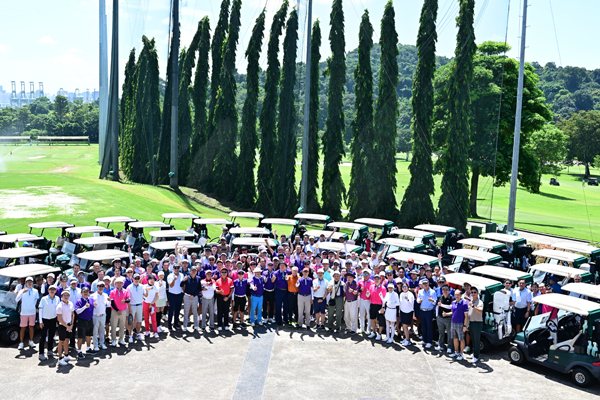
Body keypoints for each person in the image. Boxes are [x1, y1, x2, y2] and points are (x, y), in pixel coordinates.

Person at [16, 276, 39, 350]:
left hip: (32, 312)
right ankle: (21, 343)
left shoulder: (35, 291)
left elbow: (35, 301)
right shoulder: (21, 290)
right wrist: (22, 292)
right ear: (25, 283)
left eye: (31, 282)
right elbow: (17, 300)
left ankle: (31, 341)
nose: (29, 283)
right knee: (23, 328)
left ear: (33, 283)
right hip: (24, 313)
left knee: (31, 327)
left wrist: (32, 307)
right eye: (28, 282)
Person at [38, 284, 58, 360]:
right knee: (42, 337)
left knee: (51, 336)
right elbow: (40, 310)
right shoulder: (43, 299)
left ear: (55, 291)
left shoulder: (57, 298)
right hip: (44, 320)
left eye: (54, 289)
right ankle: (41, 353)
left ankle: (50, 350)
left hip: (53, 319)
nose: (52, 291)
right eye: (51, 289)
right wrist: (40, 321)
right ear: (48, 290)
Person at [416, 277, 438, 348]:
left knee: (429, 327)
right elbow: (417, 300)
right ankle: (424, 340)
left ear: (428, 283)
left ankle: (429, 341)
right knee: (424, 326)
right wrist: (419, 301)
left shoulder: (433, 292)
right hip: (422, 310)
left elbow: (435, 302)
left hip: (429, 311)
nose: (425, 285)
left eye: (426, 283)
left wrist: (432, 300)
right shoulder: (420, 291)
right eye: (424, 283)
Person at [56, 290, 76, 366]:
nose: (66, 296)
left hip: (69, 325)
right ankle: (60, 359)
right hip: (62, 326)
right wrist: (67, 326)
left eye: (67, 295)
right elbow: (59, 319)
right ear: (61, 297)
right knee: (61, 341)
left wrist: (71, 324)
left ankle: (66, 356)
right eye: (64, 295)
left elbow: (72, 314)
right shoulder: (59, 306)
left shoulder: (70, 304)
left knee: (67, 340)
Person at [74, 286, 95, 359]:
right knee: (80, 337)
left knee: (89, 335)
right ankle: (79, 351)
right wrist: (85, 307)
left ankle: (88, 348)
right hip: (81, 321)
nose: (86, 293)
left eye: (87, 292)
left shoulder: (91, 299)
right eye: (84, 292)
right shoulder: (78, 301)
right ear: (81, 293)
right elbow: (77, 311)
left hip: (90, 320)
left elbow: (95, 307)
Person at [448, 289, 469, 361]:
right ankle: (456, 352)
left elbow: (466, 316)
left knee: (461, 339)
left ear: (461, 295)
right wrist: (446, 314)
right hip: (453, 322)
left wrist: (465, 326)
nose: (456, 296)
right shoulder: (453, 302)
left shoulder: (464, 304)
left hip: (460, 323)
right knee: (455, 338)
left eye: (458, 295)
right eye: (455, 294)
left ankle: (461, 353)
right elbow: (453, 313)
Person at [109, 277, 130, 346]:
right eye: (118, 283)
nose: (119, 284)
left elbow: (128, 300)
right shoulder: (112, 292)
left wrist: (125, 301)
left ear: (123, 284)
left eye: (121, 283)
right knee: (113, 326)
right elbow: (112, 302)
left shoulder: (125, 291)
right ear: (115, 284)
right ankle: (114, 339)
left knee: (122, 325)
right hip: (115, 311)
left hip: (123, 310)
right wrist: (117, 310)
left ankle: (121, 339)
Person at [181, 266, 201, 331]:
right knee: (186, 312)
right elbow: (181, 285)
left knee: (195, 312)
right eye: (192, 270)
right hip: (187, 296)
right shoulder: (187, 278)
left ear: (196, 272)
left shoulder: (198, 278)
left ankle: (196, 325)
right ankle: (185, 326)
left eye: (195, 270)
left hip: (194, 297)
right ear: (190, 271)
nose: (193, 271)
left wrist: (194, 295)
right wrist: (183, 280)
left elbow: (199, 289)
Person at [90, 281, 109, 351]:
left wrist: (109, 301)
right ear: (97, 287)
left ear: (104, 287)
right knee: (95, 331)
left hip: (103, 315)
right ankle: (95, 345)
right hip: (95, 315)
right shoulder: (92, 296)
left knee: (102, 330)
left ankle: (102, 343)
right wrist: (93, 305)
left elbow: (108, 305)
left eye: (102, 286)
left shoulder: (105, 295)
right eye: (99, 286)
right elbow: (90, 306)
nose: (101, 287)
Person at [467, 286, 484, 364]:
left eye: (475, 292)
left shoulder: (480, 302)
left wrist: (473, 306)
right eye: (472, 292)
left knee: (477, 340)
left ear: (477, 293)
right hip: (471, 322)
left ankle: (476, 356)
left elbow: (480, 311)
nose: (473, 294)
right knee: (473, 339)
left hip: (477, 323)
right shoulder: (471, 302)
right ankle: (474, 354)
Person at [435, 284, 454, 353]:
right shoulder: (440, 297)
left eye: (446, 290)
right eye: (443, 290)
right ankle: (441, 346)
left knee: (449, 333)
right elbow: (437, 306)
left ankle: (449, 347)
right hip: (440, 318)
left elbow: (451, 307)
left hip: (448, 318)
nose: (445, 291)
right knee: (441, 333)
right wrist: (437, 316)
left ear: (449, 290)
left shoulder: (452, 298)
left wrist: (442, 305)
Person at [368, 274, 386, 340]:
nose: (376, 280)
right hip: (372, 305)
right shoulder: (371, 286)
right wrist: (367, 294)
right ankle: (373, 332)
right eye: (375, 279)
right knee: (372, 319)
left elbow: (384, 299)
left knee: (380, 320)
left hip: (380, 306)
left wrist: (383, 307)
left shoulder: (383, 288)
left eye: (378, 279)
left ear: (380, 280)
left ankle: (380, 334)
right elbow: (369, 295)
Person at [127, 273, 144, 342]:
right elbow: (128, 299)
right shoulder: (129, 287)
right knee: (130, 321)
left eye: (138, 278)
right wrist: (129, 309)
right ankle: (130, 336)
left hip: (140, 305)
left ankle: (138, 334)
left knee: (139, 321)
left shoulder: (142, 286)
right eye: (135, 278)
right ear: (132, 279)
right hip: (132, 306)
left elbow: (145, 294)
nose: (136, 280)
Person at [215, 267, 234, 331]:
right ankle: (219, 325)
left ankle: (226, 324)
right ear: (220, 273)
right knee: (220, 311)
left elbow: (232, 290)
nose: (224, 273)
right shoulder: (217, 281)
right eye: (222, 272)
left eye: (225, 272)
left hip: (227, 297)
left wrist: (228, 297)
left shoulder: (230, 280)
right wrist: (219, 291)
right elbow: (216, 290)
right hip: (220, 297)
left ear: (227, 273)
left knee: (226, 311)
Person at [167, 265, 184, 331]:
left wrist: (183, 293)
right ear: (173, 268)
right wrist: (174, 279)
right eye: (175, 268)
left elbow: (182, 285)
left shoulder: (182, 275)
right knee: (171, 310)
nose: (176, 269)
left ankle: (176, 323)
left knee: (178, 310)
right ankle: (169, 325)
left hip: (179, 295)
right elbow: (171, 286)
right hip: (172, 295)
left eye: (178, 268)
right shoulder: (170, 276)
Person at [274, 261, 289, 326]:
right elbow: (273, 280)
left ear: (285, 266)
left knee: (286, 305)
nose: (282, 266)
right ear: (279, 266)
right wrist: (273, 278)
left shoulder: (289, 272)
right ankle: (278, 320)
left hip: (286, 291)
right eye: (281, 265)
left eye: (283, 265)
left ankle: (286, 319)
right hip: (278, 291)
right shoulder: (276, 272)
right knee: (278, 306)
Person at [358, 268, 372, 334]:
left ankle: (369, 329)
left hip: (368, 301)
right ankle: (362, 328)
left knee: (369, 315)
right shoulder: (360, 281)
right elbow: (357, 290)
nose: (365, 275)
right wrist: (360, 289)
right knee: (361, 315)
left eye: (367, 274)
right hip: (361, 300)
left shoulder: (372, 282)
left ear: (369, 274)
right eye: (364, 274)